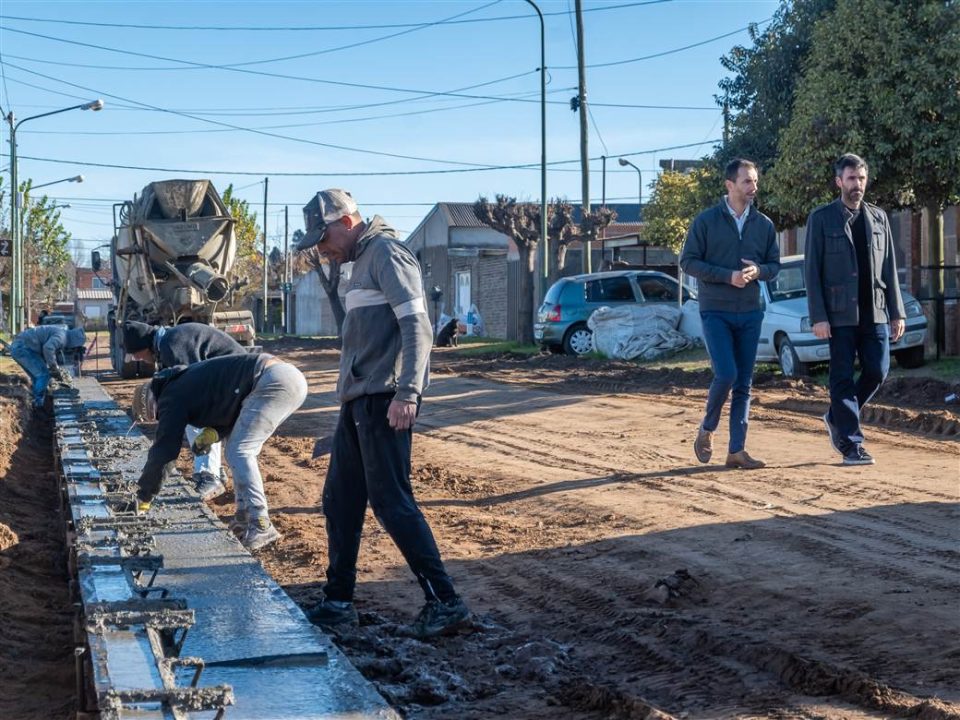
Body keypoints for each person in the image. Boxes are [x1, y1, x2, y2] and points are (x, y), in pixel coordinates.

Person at [296, 189, 470, 639]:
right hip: (359, 400)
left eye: (324, 237)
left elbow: (418, 326)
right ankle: (338, 601)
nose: (321, 248)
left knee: (392, 503)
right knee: (340, 501)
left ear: (347, 222)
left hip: (384, 398)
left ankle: (445, 601)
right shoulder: (360, 263)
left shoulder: (387, 254)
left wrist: (408, 392)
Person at [130, 352, 307, 551]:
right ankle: (244, 517)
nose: (160, 418)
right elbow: (230, 403)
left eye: (156, 415)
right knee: (236, 447)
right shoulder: (184, 381)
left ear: (152, 402)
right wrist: (214, 433)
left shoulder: (170, 396)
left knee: (240, 451)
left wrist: (144, 496)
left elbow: (165, 449)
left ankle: (261, 523)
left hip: (272, 381)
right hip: (286, 377)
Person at [804, 154, 905, 466]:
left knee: (877, 370)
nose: (857, 184)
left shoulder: (878, 218)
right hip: (838, 314)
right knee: (842, 377)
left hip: (874, 311)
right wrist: (818, 316)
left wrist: (896, 311)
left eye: (861, 178)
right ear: (839, 182)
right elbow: (812, 271)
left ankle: (837, 416)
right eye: (850, 178)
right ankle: (851, 443)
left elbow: (889, 268)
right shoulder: (821, 219)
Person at [680, 158, 780, 469]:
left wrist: (758, 270)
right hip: (716, 311)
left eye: (755, 182)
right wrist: (728, 276)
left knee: (744, 383)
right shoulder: (706, 221)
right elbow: (688, 262)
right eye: (747, 182)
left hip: (750, 312)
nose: (753, 188)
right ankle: (707, 429)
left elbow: (774, 268)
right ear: (730, 185)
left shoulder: (764, 225)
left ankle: (737, 450)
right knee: (726, 374)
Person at [123, 320, 248, 499]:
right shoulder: (167, 342)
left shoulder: (172, 345)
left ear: (144, 345)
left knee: (194, 416)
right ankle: (215, 470)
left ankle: (209, 476)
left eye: (136, 354)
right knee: (194, 413)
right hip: (230, 378)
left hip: (238, 378)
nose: (137, 359)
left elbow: (191, 390)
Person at [9, 324, 86, 407]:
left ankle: (36, 400)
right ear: (74, 342)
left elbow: (45, 350)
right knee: (43, 375)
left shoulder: (61, 333)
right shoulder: (62, 337)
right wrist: (54, 367)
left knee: (37, 376)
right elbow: (48, 348)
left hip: (22, 347)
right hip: (23, 348)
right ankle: (37, 404)